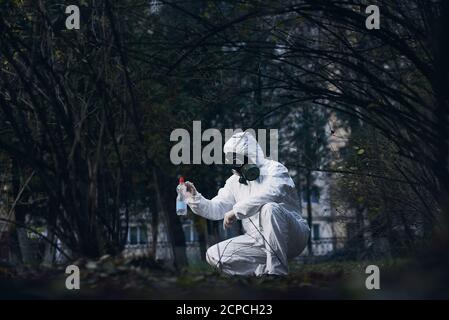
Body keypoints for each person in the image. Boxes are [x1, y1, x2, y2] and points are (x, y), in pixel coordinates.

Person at [184, 132, 310, 276]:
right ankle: (261, 274)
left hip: (293, 237)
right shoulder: (233, 182)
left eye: (238, 159)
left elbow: (272, 194)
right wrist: (193, 198)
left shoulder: (275, 169)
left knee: (270, 208)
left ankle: (277, 274)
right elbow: (216, 208)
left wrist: (236, 211)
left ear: (251, 156)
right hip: (258, 242)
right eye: (232, 160)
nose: (235, 165)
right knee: (214, 255)